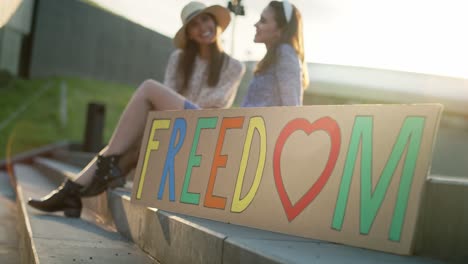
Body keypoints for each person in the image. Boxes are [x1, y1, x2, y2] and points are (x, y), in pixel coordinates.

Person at [28, 0, 308, 218]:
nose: (203, 27)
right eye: (195, 24)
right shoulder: (179, 59)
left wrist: (171, 103)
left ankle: (93, 177)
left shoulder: (235, 65)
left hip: (208, 125)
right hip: (178, 124)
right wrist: (170, 105)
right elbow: (170, 96)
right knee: (143, 125)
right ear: (188, 32)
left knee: (149, 91)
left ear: (216, 23)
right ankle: (77, 189)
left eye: (206, 20)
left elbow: (217, 103)